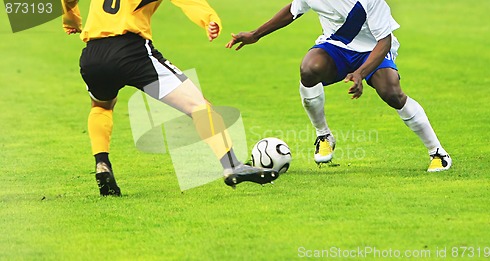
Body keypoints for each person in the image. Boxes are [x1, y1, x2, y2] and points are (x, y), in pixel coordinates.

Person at [61, 0, 278, 196]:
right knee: (199, 106)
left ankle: (102, 163)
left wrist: (71, 19)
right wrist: (210, 19)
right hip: (132, 52)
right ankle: (232, 165)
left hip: (92, 55)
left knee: (101, 106)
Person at [226, 0, 451, 172]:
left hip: (373, 50)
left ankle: (437, 152)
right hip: (337, 46)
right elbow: (293, 10)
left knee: (391, 91)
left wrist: (361, 73)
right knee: (309, 69)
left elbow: (385, 41)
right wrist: (255, 34)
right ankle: (324, 136)